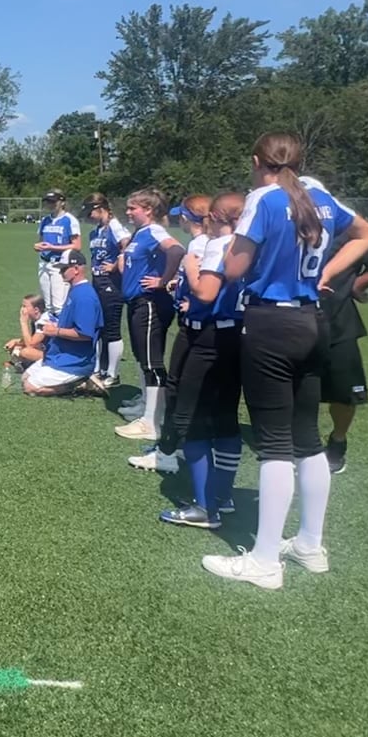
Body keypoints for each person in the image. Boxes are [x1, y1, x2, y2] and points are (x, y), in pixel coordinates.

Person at [202, 132, 368, 590]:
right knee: (307, 439)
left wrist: (222, 249)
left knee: (275, 444)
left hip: (271, 324)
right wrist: (328, 271)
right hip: (312, 321)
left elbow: (235, 268)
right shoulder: (320, 195)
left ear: (257, 161)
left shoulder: (263, 199)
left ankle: (264, 560)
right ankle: (309, 545)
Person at [140, 193, 247, 527]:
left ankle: (204, 506)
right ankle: (223, 496)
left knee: (195, 422)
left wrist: (189, 266)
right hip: (237, 335)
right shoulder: (251, 245)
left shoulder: (216, 244)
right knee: (226, 420)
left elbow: (205, 292)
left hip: (208, 336)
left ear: (214, 217)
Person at [317, 222, 368, 473]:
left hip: (338, 322)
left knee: (345, 393)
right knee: (296, 388)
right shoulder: (287, 221)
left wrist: (357, 285)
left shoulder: (346, 225)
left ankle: (337, 441)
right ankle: (300, 444)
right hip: (293, 319)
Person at [114, 189, 184, 441]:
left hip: (151, 302)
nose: (128, 212)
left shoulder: (154, 230)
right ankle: (147, 407)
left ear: (148, 210)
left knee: (152, 362)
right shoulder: (141, 233)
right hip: (137, 302)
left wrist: (163, 280)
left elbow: (177, 250)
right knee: (143, 358)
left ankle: (152, 423)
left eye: (133, 208)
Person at [21, 250, 103, 396]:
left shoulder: (85, 297)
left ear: (76, 269)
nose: (60, 272)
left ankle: (80, 384)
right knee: (25, 378)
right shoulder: (75, 290)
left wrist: (55, 331)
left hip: (74, 361)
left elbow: (85, 334)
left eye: (64, 268)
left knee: (30, 387)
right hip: (60, 356)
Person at [83, 194, 131, 392]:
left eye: (90, 211)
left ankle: (113, 373)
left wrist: (116, 264)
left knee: (111, 328)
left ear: (99, 208)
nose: (88, 216)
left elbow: (127, 243)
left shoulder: (114, 225)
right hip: (98, 281)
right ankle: (99, 369)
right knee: (99, 327)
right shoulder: (96, 231)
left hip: (112, 282)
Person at [33, 189, 81, 321]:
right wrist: (38, 246)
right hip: (44, 263)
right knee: (48, 306)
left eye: (53, 202)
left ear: (62, 202)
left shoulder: (69, 220)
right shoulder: (45, 220)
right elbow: (41, 240)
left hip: (60, 265)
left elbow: (77, 245)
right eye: (48, 202)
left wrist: (52, 247)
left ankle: (61, 331)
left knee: (58, 306)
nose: (50, 204)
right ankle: (50, 332)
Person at [2, 293, 47, 387]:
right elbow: (34, 340)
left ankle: (33, 369)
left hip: (54, 355)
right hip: (44, 349)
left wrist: (23, 322)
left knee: (26, 352)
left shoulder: (43, 321)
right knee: (15, 348)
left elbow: (30, 345)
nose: (22, 309)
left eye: (25, 306)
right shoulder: (35, 321)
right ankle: (28, 366)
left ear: (36, 310)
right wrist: (17, 341)